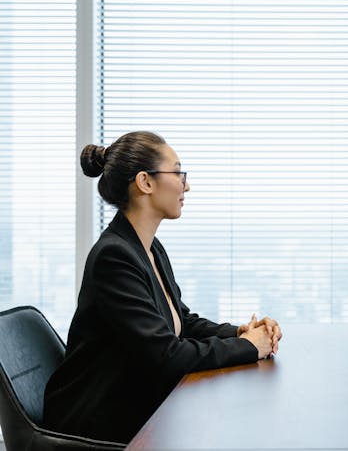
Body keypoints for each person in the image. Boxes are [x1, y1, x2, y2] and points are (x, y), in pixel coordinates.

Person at [43, 131, 282, 443]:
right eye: (178, 172)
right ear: (145, 182)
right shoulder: (114, 257)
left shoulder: (149, 248)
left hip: (133, 403)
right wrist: (251, 346)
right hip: (95, 419)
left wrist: (240, 332)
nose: (187, 185)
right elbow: (167, 356)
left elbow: (182, 322)